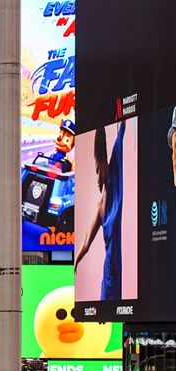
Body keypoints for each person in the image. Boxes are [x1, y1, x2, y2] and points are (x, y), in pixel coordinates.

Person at [74, 120, 126, 303]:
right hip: (111, 271)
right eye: (95, 170)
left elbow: (117, 138)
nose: (97, 174)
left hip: (118, 267)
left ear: (102, 162)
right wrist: (76, 263)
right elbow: (86, 241)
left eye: (97, 168)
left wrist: (101, 121)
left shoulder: (115, 168)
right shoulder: (101, 206)